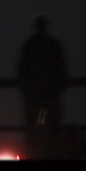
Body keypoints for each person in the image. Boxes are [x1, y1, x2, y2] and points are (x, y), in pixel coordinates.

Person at [17, 15, 67, 155]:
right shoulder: (53, 45)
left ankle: (34, 153)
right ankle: (51, 153)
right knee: (52, 127)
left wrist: (27, 90)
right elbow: (61, 70)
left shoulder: (29, 45)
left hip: (33, 95)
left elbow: (22, 70)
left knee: (33, 129)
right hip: (50, 95)